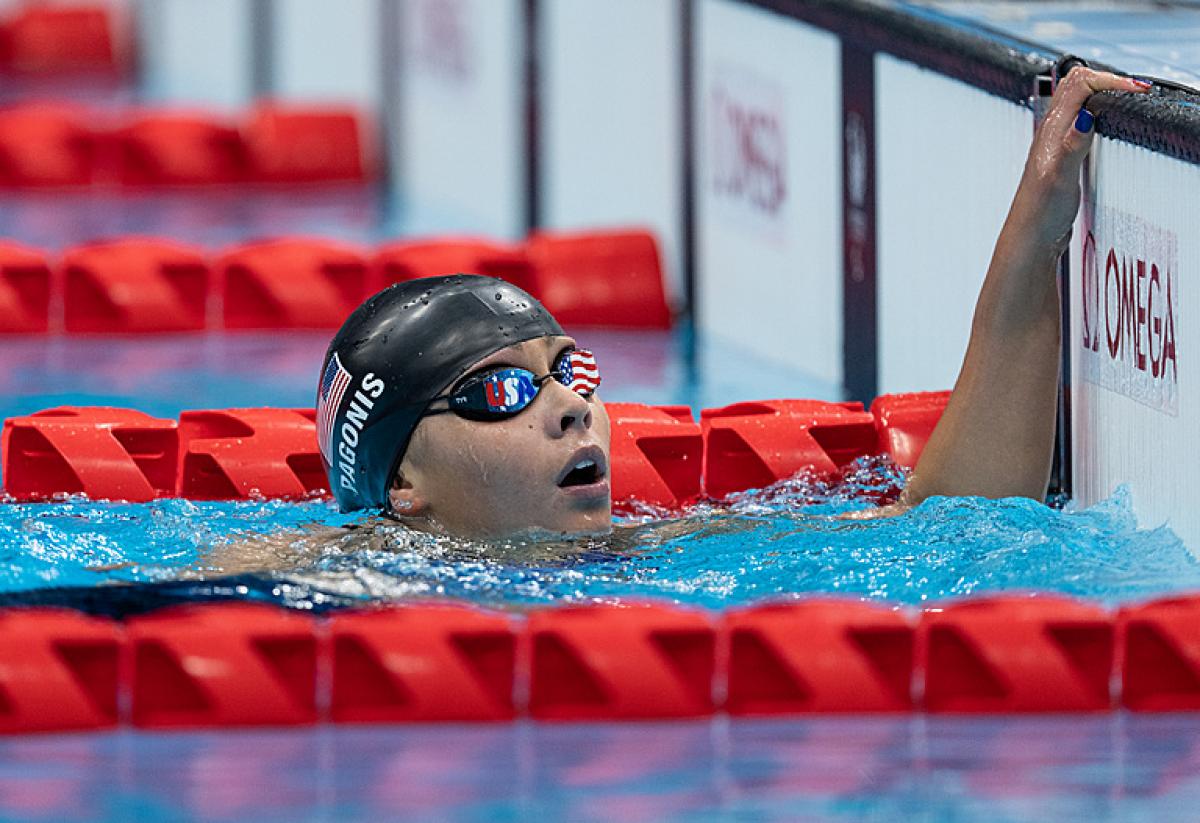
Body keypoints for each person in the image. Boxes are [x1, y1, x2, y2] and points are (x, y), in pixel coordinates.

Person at [216, 67, 1150, 569]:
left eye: (570, 371)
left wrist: (1036, 231)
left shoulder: (656, 557)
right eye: (502, 389)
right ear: (403, 481)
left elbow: (956, 520)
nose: (573, 408)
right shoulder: (329, 588)